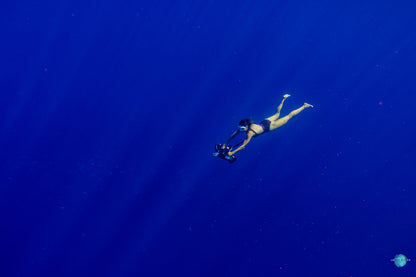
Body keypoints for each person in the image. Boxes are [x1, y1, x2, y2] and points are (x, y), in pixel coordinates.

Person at [223, 94, 313, 157]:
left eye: (242, 128)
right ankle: (283, 99)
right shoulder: (244, 128)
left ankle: (304, 106)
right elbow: (233, 135)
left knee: (288, 117)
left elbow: (243, 145)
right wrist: (224, 144)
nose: (241, 130)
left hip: (270, 126)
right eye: (240, 128)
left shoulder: (249, 133)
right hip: (264, 122)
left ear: (246, 126)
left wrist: (232, 153)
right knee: (277, 114)